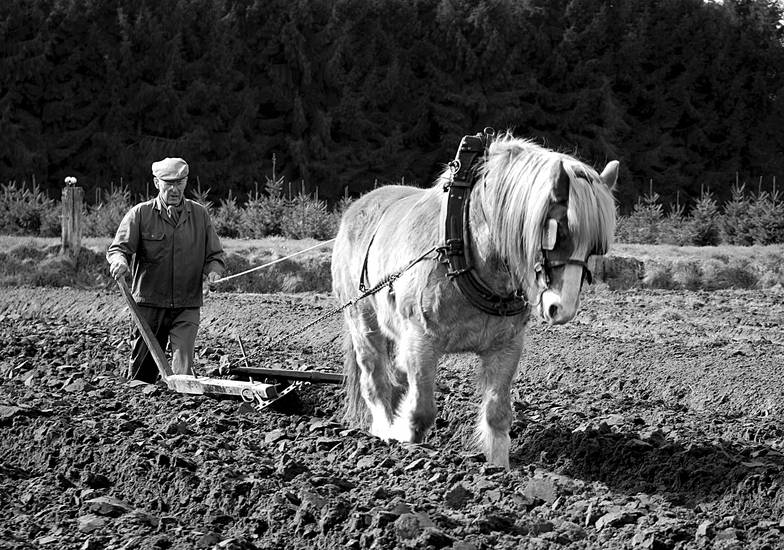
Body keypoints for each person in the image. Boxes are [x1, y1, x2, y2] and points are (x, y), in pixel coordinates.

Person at [107, 157, 225, 383]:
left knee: (183, 373)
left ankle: (181, 400)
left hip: (187, 304)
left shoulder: (199, 215)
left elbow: (215, 256)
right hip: (149, 305)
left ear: (186, 182)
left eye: (179, 183)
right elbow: (118, 249)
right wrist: (119, 262)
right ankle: (142, 401)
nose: (174, 189)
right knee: (143, 376)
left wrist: (213, 272)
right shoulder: (140, 214)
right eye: (168, 183)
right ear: (156, 183)